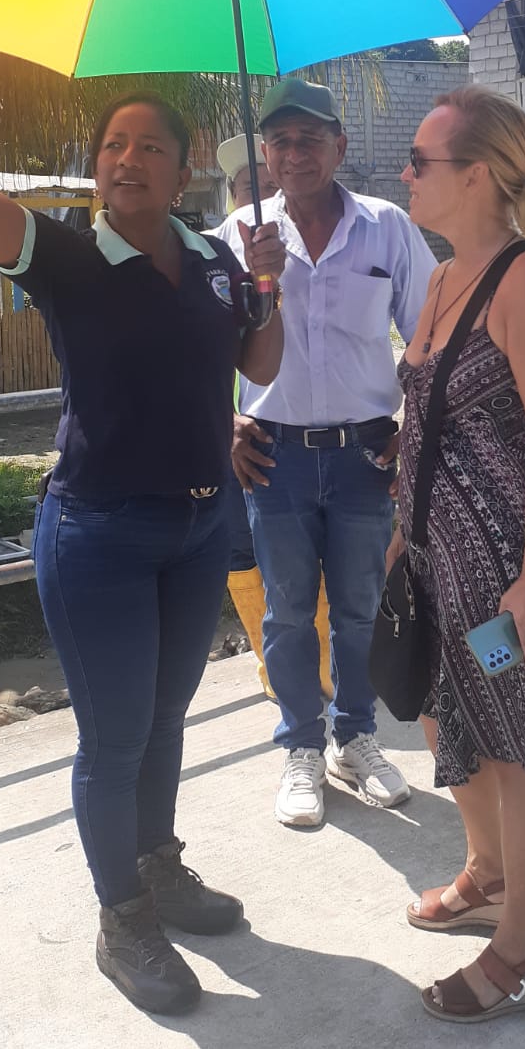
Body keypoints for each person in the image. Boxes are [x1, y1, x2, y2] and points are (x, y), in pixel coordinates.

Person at [0, 28, 286, 1018]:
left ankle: (159, 865)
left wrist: (270, 285)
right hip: (100, 533)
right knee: (116, 735)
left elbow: (260, 365)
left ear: (183, 167)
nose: (127, 158)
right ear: (98, 168)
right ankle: (122, 918)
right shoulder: (68, 256)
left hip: (200, 528)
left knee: (166, 720)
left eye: (148, 145)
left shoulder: (217, 259)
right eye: (112, 146)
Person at [393, 84, 525, 1024]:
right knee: (442, 718)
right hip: (436, 559)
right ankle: (488, 873)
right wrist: (402, 532)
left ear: (474, 176)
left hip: (508, 572)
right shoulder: (439, 280)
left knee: (519, 743)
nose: (405, 175)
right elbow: (424, 418)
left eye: (419, 161)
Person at [217, 77, 436, 828]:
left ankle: (355, 738)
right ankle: (301, 749)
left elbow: (431, 334)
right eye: (280, 141)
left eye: (310, 138)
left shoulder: (386, 228)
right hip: (272, 456)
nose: (295, 153)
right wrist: (223, 418)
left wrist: (416, 425)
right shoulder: (237, 234)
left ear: (339, 146)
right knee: (286, 613)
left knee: (359, 607)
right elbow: (197, 343)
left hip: (364, 454)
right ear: (265, 154)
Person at [214, 134, 333, 705]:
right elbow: (190, 353)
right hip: (240, 435)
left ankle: (325, 672)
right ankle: (276, 673)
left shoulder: (316, 241)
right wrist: (225, 420)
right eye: (246, 189)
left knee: (316, 559)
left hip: (309, 436)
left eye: (268, 188)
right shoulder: (212, 252)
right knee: (242, 554)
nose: (258, 201)